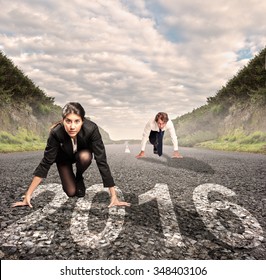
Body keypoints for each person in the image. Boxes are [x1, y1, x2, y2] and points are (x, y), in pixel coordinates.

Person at [12, 102, 130, 208]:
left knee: (85, 156)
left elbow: (101, 161)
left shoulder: (91, 129)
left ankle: (79, 176)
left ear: (82, 121)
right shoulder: (56, 133)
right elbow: (46, 163)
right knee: (71, 192)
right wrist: (28, 195)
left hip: (82, 155)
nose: (72, 126)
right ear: (63, 120)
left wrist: (113, 196)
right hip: (63, 159)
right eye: (68, 121)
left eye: (76, 121)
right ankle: (74, 182)